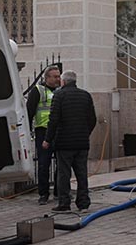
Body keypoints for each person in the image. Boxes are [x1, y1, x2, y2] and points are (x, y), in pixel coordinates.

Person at [42, 69, 97, 213]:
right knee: (81, 173)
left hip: (64, 143)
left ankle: (64, 203)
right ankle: (83, 203)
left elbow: (53, 120)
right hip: (82, 143)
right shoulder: (86, 96)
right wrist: (85, 133)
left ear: (63, 81)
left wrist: (48, 139)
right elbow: (92, 119)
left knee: (64, 174)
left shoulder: (59, 95)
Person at [25, 65, 60, 205]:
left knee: (62, 164)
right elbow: (29, 112)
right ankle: (43, 194)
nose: (58, 78)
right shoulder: (38, 90)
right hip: (43, 131)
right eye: (55, 76)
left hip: (59, 131)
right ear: (47, 78)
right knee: (44, 164)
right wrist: (27, 132)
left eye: (59, 76)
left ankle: (59, 191)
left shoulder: (61, 90)